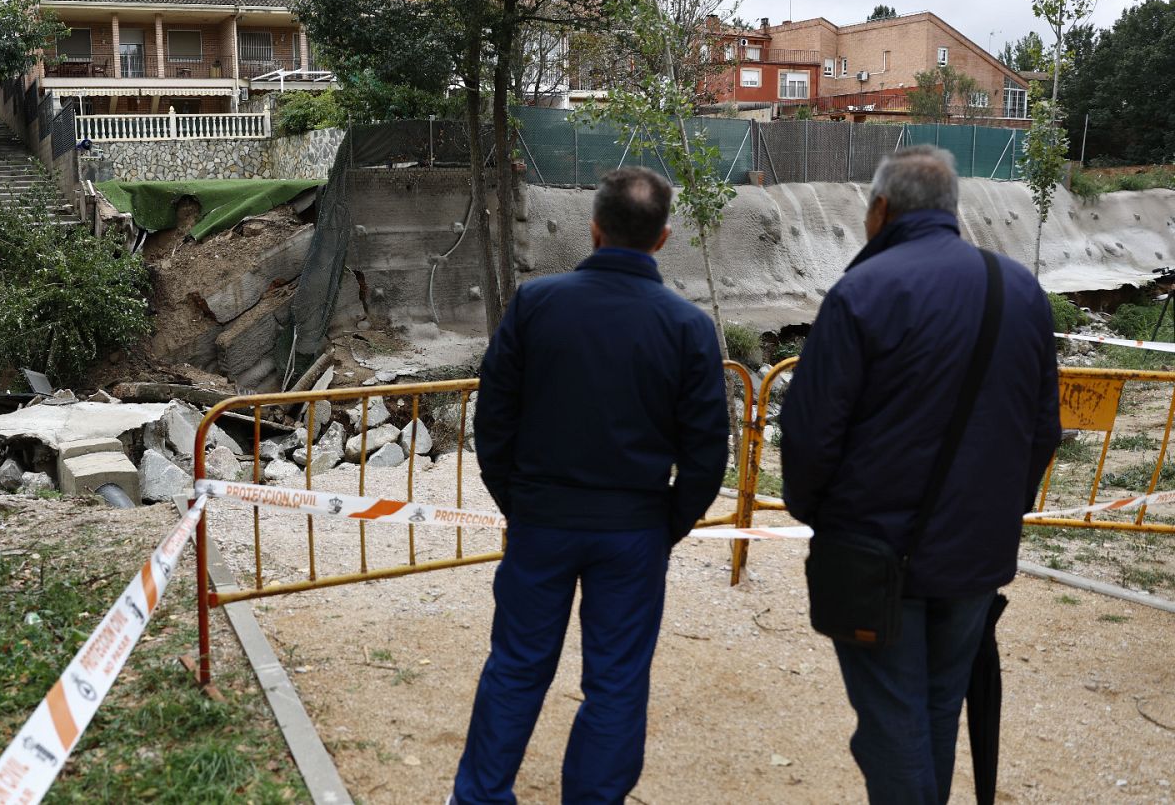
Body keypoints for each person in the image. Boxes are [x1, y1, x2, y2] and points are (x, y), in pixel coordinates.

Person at [781, 146, 1061, 804]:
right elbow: (1044, 430)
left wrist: (822, 516)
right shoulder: (1018, 289)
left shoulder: (862, 292)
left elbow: (810, 434)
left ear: (879, 210)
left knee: (891, 729)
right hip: (972, 557)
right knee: (933, 714)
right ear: (950, 209)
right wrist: (997, 514)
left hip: (876, 556)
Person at [452, 166, 729, 804]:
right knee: (617, 682)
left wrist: (519, 503)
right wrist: (666, 524)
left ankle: (481, 795)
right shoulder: (686, 328)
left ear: (594, 227)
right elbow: (706, 452)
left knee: (518, 667)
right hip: (633, 528)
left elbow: (493, 421)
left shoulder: (537, 303)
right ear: (663, 238)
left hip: (542, 519)